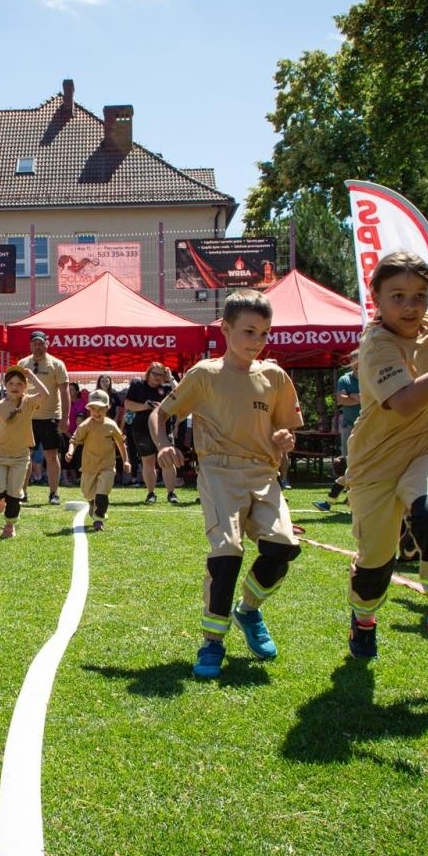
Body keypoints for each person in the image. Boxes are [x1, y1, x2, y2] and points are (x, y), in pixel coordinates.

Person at [335, 252, 428, 670]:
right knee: (376, 562)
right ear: (376, 299)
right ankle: (363, 619)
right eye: (398, 296)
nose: (409, 306)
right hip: (374, 464)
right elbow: (403, 401)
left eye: (419, 296)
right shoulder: (376, 345)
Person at [148, 288, 304, 678]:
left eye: (264, 333)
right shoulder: (205, 375)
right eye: (249, 331)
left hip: (263, 474)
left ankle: (248, 611)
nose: (257, 341)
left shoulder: (275, 377)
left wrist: (286, 438)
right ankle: (211, 642)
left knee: (283, 549)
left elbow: (286, 428)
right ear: (225, 329)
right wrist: (164, 444)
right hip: (218, 471)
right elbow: (159, 415)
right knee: (227, 550)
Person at [0, 365, 50, 540]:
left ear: (25, 386)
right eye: (11, 383)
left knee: (14, 494)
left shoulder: (29, 402)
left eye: (20, 384)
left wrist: (33, 377)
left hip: (21, 457)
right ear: (5, 385)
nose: (15, 386)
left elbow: (45, 395)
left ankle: (9, 525)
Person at [67, 389, 131, 532]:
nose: (97, 412)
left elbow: (121, 443)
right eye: (93, 409)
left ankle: (98, 519)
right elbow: (74, 440)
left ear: (107, 408)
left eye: (100, 409)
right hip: (89, 466)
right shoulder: (85, 425)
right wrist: (70, 451)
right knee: (88, 493)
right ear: (89, 408)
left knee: (103, 492)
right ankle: (92, 504)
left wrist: (126, 460)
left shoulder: (111, 425)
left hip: (107, 466)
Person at [17, 331, 69, 504]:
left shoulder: (56, 364)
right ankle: (21, 492)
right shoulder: (23, 363)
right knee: (25, 455)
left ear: (47, 344)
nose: (38, 347)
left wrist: (64, 418)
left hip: (50, 417)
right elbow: (16, 389)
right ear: (30, 345)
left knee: (52, 456)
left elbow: (64, 391)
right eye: (35, 343)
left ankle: (54, 493)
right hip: (27, 416)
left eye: (41, 343)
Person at [124, 362, 180, 504]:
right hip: (141, 429)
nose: (157, 377)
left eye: (161, 375)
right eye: (154, 373)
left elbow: (181, 395)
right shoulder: (137, 384)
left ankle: (171, 494)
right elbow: (128, 404)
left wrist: (171, 379)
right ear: (148, 373)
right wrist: (145, 406)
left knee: (168, 461)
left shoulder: (167, 388)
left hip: (164, 430)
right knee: (148, 462)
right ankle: (151, 493)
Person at [315, 353, 360, 510]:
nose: (358, 364)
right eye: (355, 361)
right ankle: (338, 501)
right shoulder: (345, 379)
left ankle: (334, 501)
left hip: (369, 429)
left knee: (353, 467)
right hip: (350, 427)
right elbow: (341, 399)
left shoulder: (371, 377)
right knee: (349, 465)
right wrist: (361, 397)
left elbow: (374, 398)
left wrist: (354, 396)